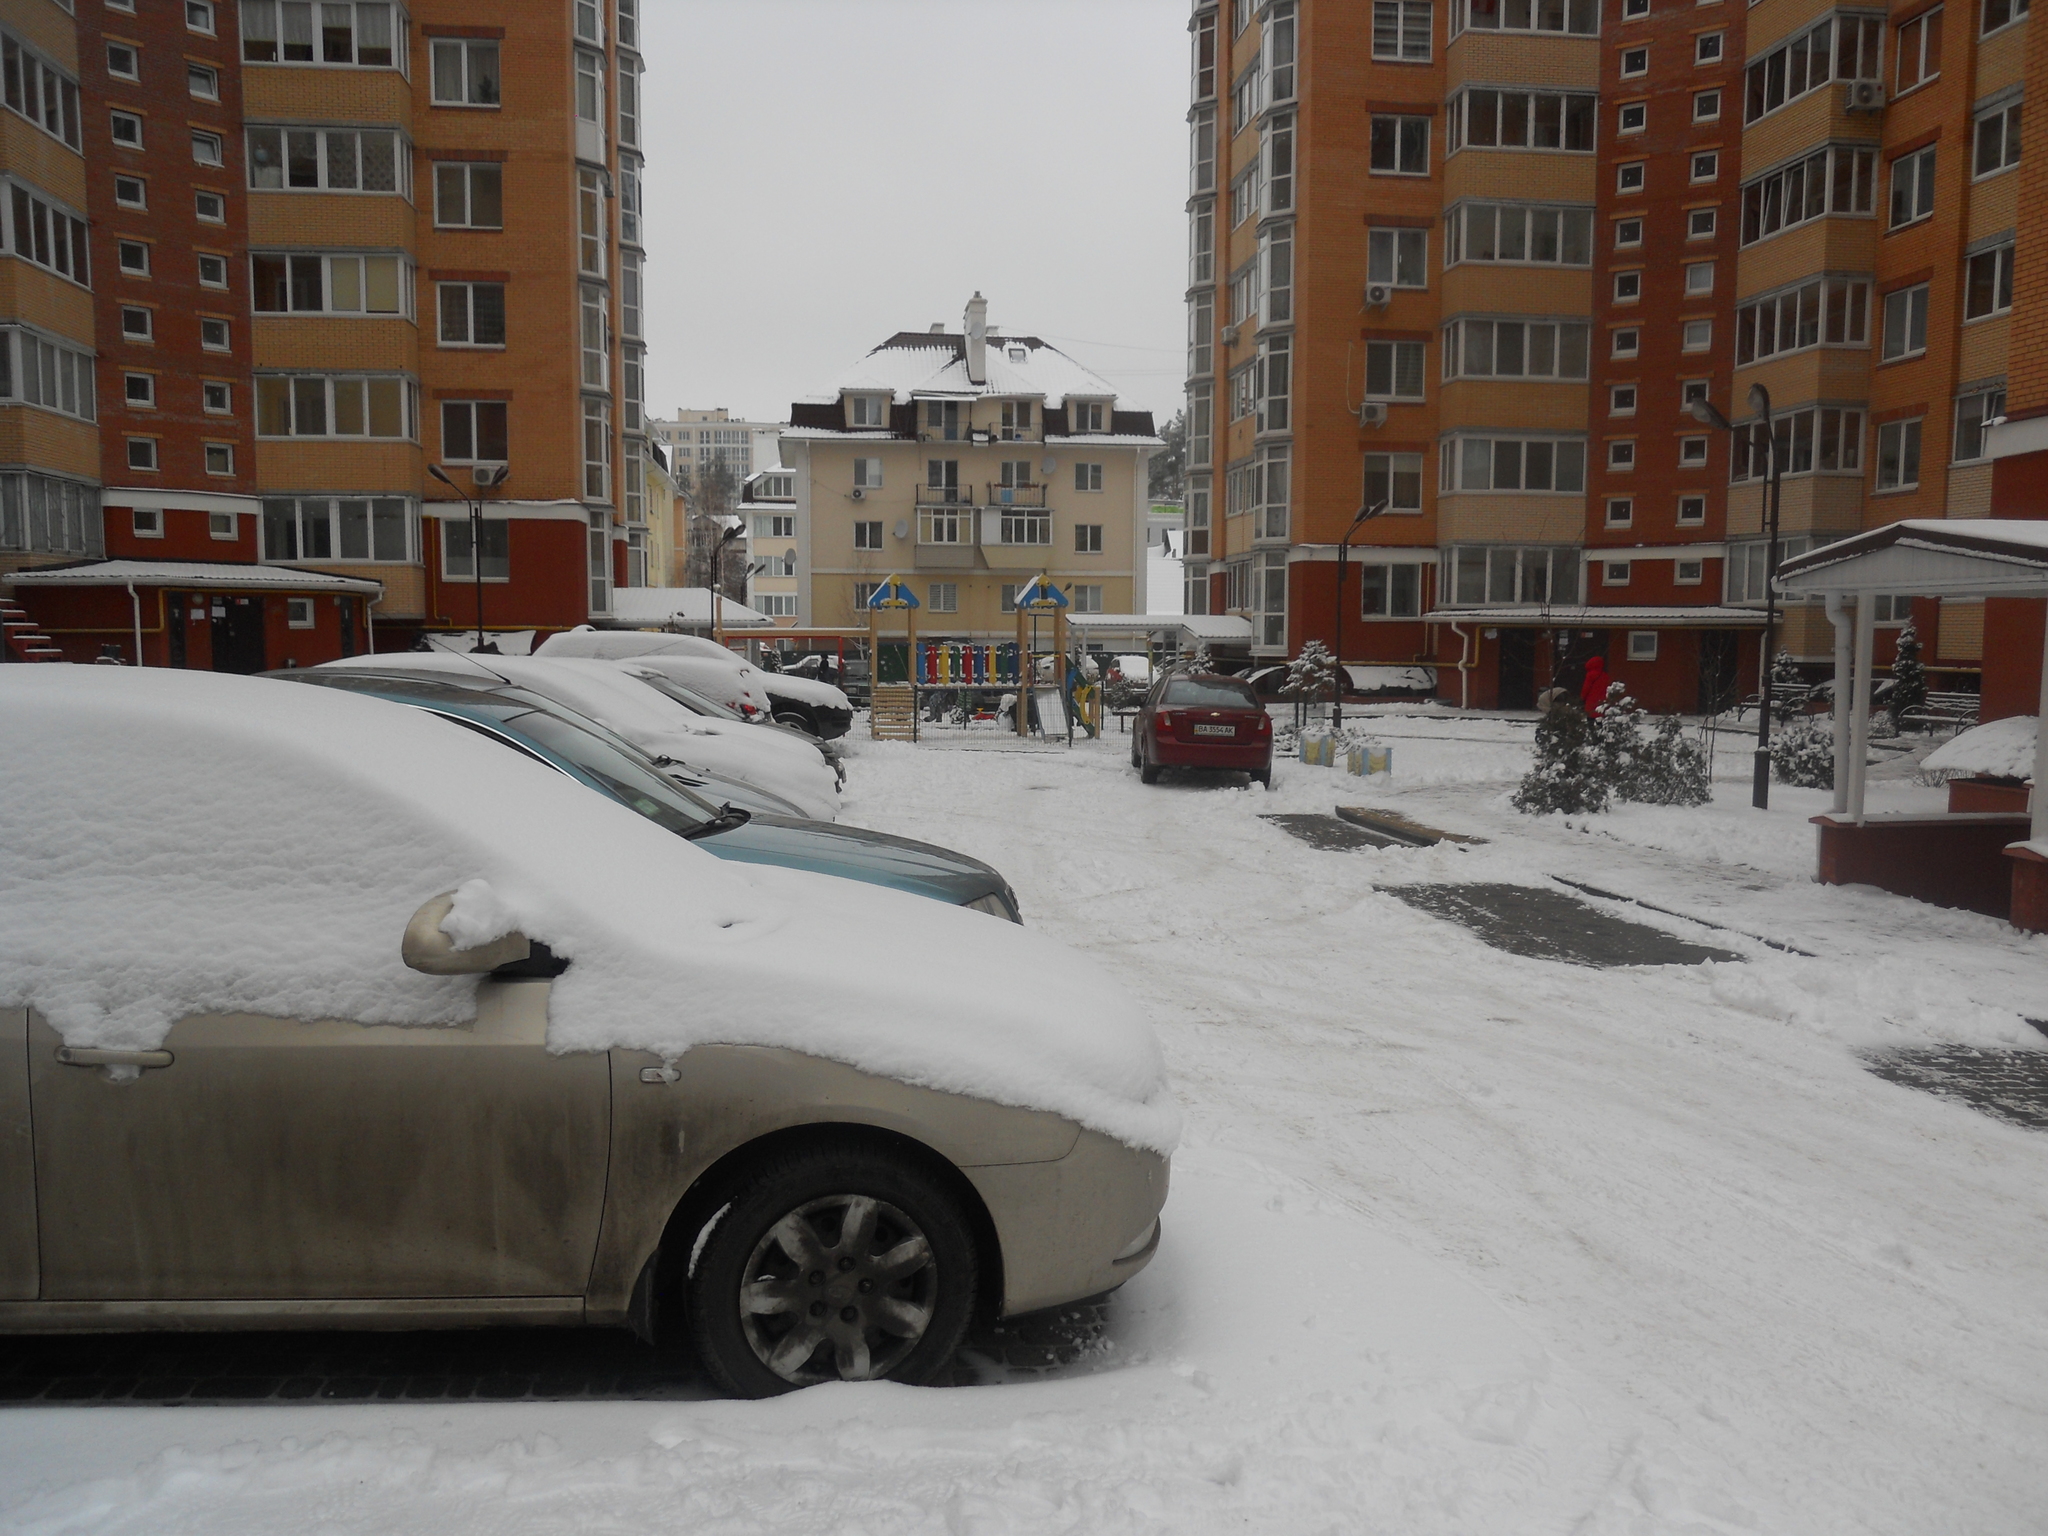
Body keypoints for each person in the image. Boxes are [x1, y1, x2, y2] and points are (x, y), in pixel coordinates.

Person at [1579, 653, 1613, 717]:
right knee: (1599, 718)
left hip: (1591, 701)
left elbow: (1586, 688)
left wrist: (1582, 697)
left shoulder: (1590, 675)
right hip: (1601, 701)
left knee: (1591, 717)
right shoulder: (1605, 675)